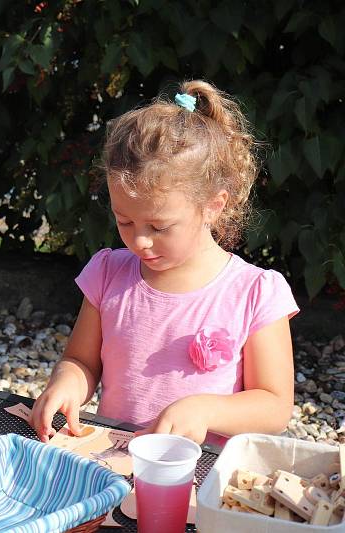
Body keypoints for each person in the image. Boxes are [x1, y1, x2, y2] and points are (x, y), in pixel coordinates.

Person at [31, 80, 298, 446]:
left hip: (198, 474)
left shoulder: (254, 293)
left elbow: (275, 407)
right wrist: (66, 384)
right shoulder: (108, 274)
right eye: (124, 221)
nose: (139, 240)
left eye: (159, 226)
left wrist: (204, 410)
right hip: (112, 459)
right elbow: (82, 361)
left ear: (213, 207)